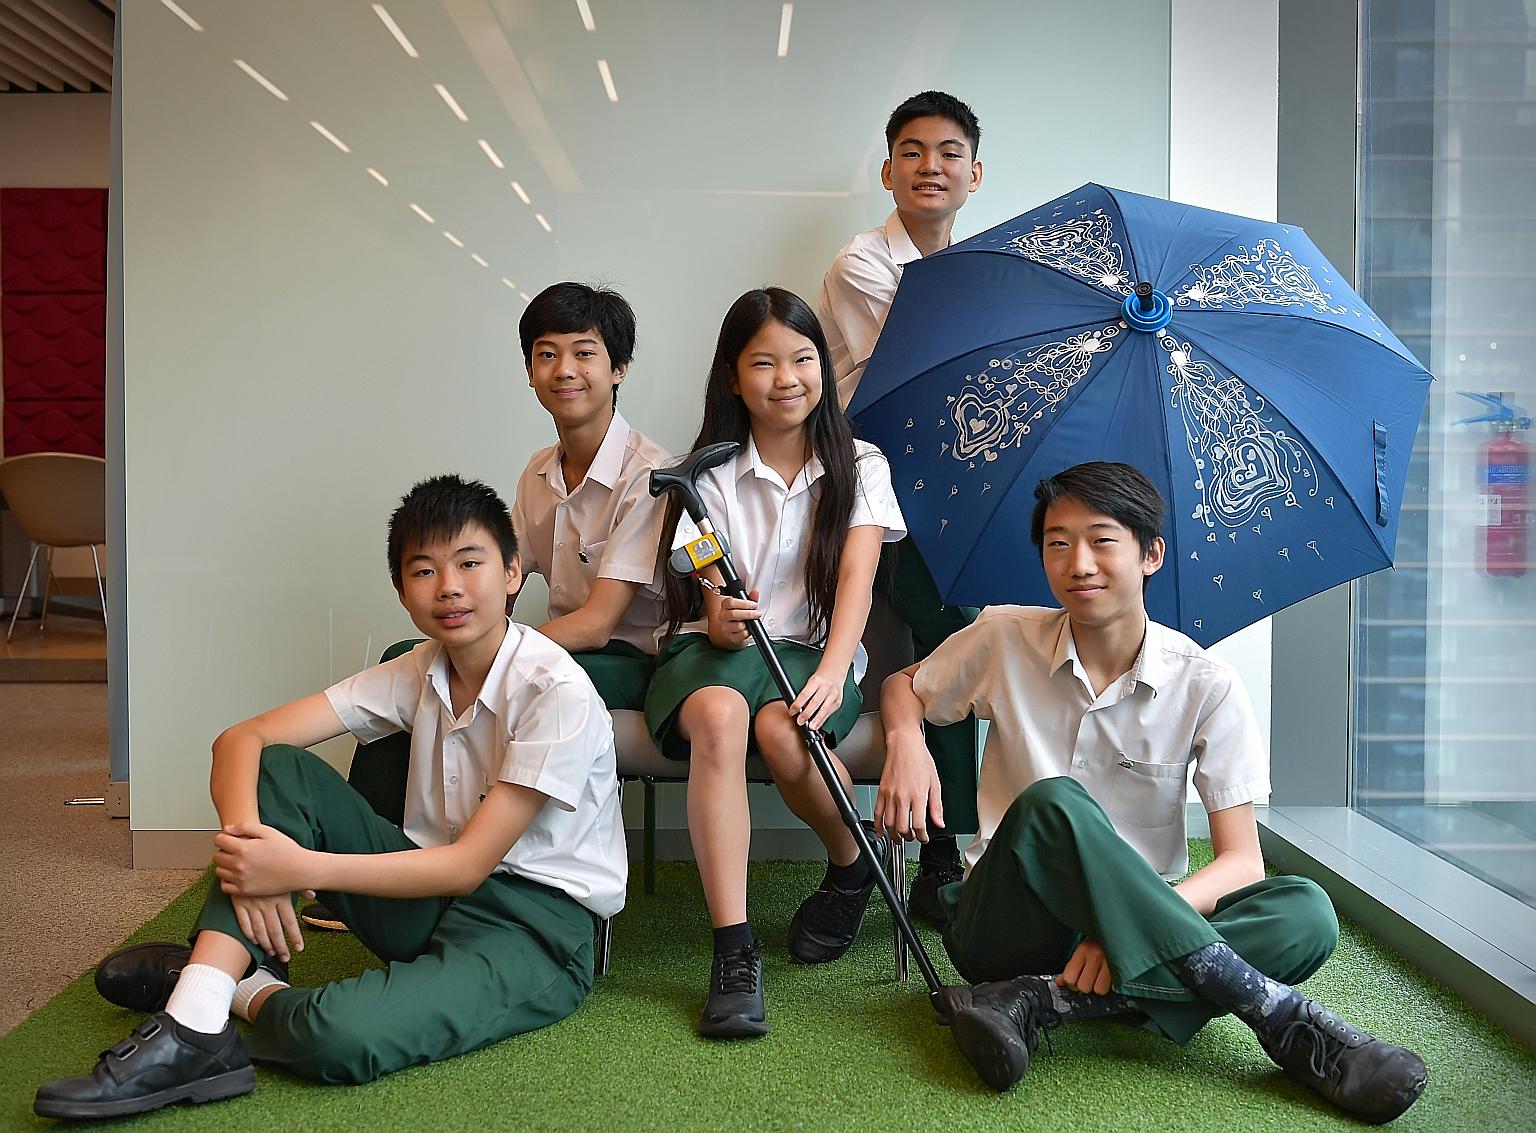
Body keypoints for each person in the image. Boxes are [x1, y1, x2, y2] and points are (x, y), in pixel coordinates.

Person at [35, 475, 626, 1120]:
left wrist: (297, 869)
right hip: (426, 896)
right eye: (424, 571)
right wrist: (254, 856)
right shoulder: (420, 667)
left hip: (536, 928)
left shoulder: (554, 691)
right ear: (402, 591)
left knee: (339, 1036)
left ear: (512, 572)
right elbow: (243, 739)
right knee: (279, 769)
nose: (449, 587)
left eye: (469, 563)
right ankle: (193, 1021)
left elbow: (466, 866)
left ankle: (231, 989)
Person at [874, 462, 1429, 1125]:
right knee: (1055, 803)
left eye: (1101, 540)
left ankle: (1037, 1000)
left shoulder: (1206, 684)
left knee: (1306, 913)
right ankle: (1280, 1015)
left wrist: (1123, 928)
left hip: (1137, 924)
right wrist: (905, 740)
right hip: (1005, 922)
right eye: (1057, 543)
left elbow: (1242, 862)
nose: (1078, 563)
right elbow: (904, 685)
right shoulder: (1003, 636)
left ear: (1151, 554)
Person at [643, 287, 906, 1039]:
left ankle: (851, 862)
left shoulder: (862, 464)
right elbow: (710, 586)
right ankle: (733, 950)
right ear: (733, 377)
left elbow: (856, 580)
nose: (786, 378)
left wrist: (831, 670)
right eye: (763, 363)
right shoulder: (704, 475)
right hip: (712, 653)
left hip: (814, 654)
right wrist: (722, 618)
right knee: (723, 716)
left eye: (802, 358)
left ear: (823, 366)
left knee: (786, 735)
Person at [817, 89, 985, 927]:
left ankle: (946, 850)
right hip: (869, 487)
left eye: (949, 153)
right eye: (912, 152)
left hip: (943, 486)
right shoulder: (861, 262)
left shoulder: (981, 269)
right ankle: (926, 854)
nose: (931, 166)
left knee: (958, 644)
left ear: (975, 174)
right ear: (887, 171)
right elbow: (925, 369)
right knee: (946, 634)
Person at [511, 280, 672, 711]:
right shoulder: (537, 472)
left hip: (633, 664)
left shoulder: (648, 475)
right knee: (414, 663)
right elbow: (502, 581)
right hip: (562, 654)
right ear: (530, 372)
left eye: (583, 354)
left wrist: (499, 653)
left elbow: (598, 625)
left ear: (619, 368)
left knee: (498, 679)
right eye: (547, 355)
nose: (564, 370)